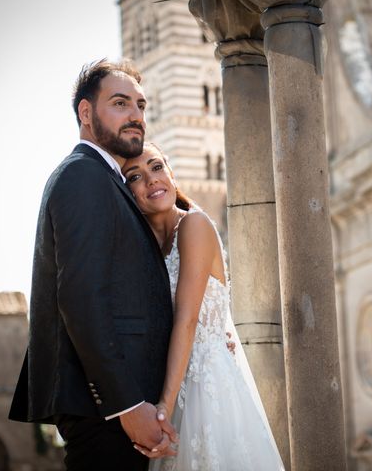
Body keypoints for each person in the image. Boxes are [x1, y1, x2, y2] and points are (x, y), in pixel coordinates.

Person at [9, 59, 178, 471]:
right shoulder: (83, 176)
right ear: (86, 113)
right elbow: (81, 298)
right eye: (120, 103)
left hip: (119, 408)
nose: (135, 115)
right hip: (106, 411)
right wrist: (125, 405)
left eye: (140, 105)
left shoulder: (108, 181)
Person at [122, 143, 285, 471]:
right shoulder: (146, 249)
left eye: (156, 167)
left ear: (170, 172)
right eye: (135, 177)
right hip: (168, 381)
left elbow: (188, 318)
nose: (151, 180)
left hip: (206, 389)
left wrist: (163, 409)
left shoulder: (194, 225)